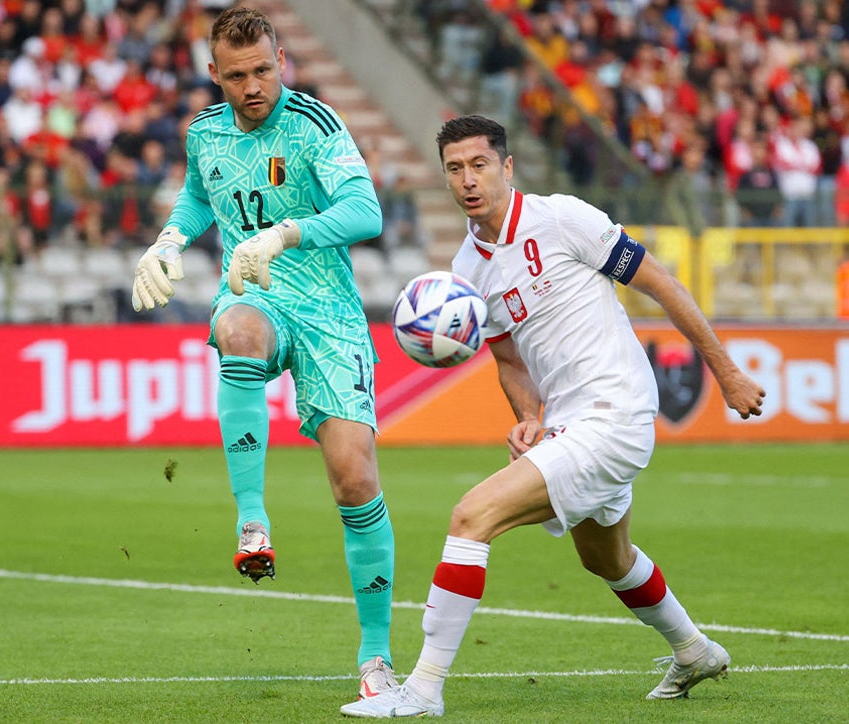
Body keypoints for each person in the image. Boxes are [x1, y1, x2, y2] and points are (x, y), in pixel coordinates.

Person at [341, 115, 766, 718]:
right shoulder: (466, 271)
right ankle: (694, 650)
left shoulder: (563, 217)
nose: (468, 179)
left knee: (471, 517)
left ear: (507, 167)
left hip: (614, 410)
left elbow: (662, 284)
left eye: (479, 164)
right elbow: (509, 358)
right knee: (606, 558)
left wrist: (726, 372)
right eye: (455, 168)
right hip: (570, 420)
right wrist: (529, 415)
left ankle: (423, 688)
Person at [128, 6, 398, 703]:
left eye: (264, 70)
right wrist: (168, 241)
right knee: (237, 330)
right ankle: (253, 518)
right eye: (237, 75)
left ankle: (375, 659)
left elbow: (366, 210)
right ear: (213, 73)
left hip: (331, 316)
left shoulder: (315, 126)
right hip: (257, 298)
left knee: (353, 480)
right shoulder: (205, 133)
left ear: (282, 62)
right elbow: (197, 196)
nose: (253, 86)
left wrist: (285, 234)